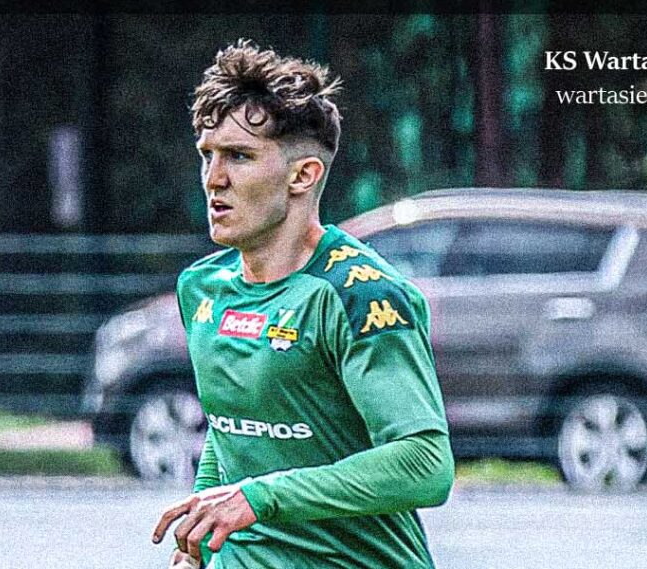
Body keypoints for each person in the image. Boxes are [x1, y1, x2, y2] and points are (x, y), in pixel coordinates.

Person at [151, 39, 454, 569]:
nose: (214, 179)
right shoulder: (202, 287)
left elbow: (426, 466)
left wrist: (260, 498)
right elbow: (231, 428)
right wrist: (198, 539)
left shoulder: (361, 297)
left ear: (302, 175)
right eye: (208, 155)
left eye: (239, 156)